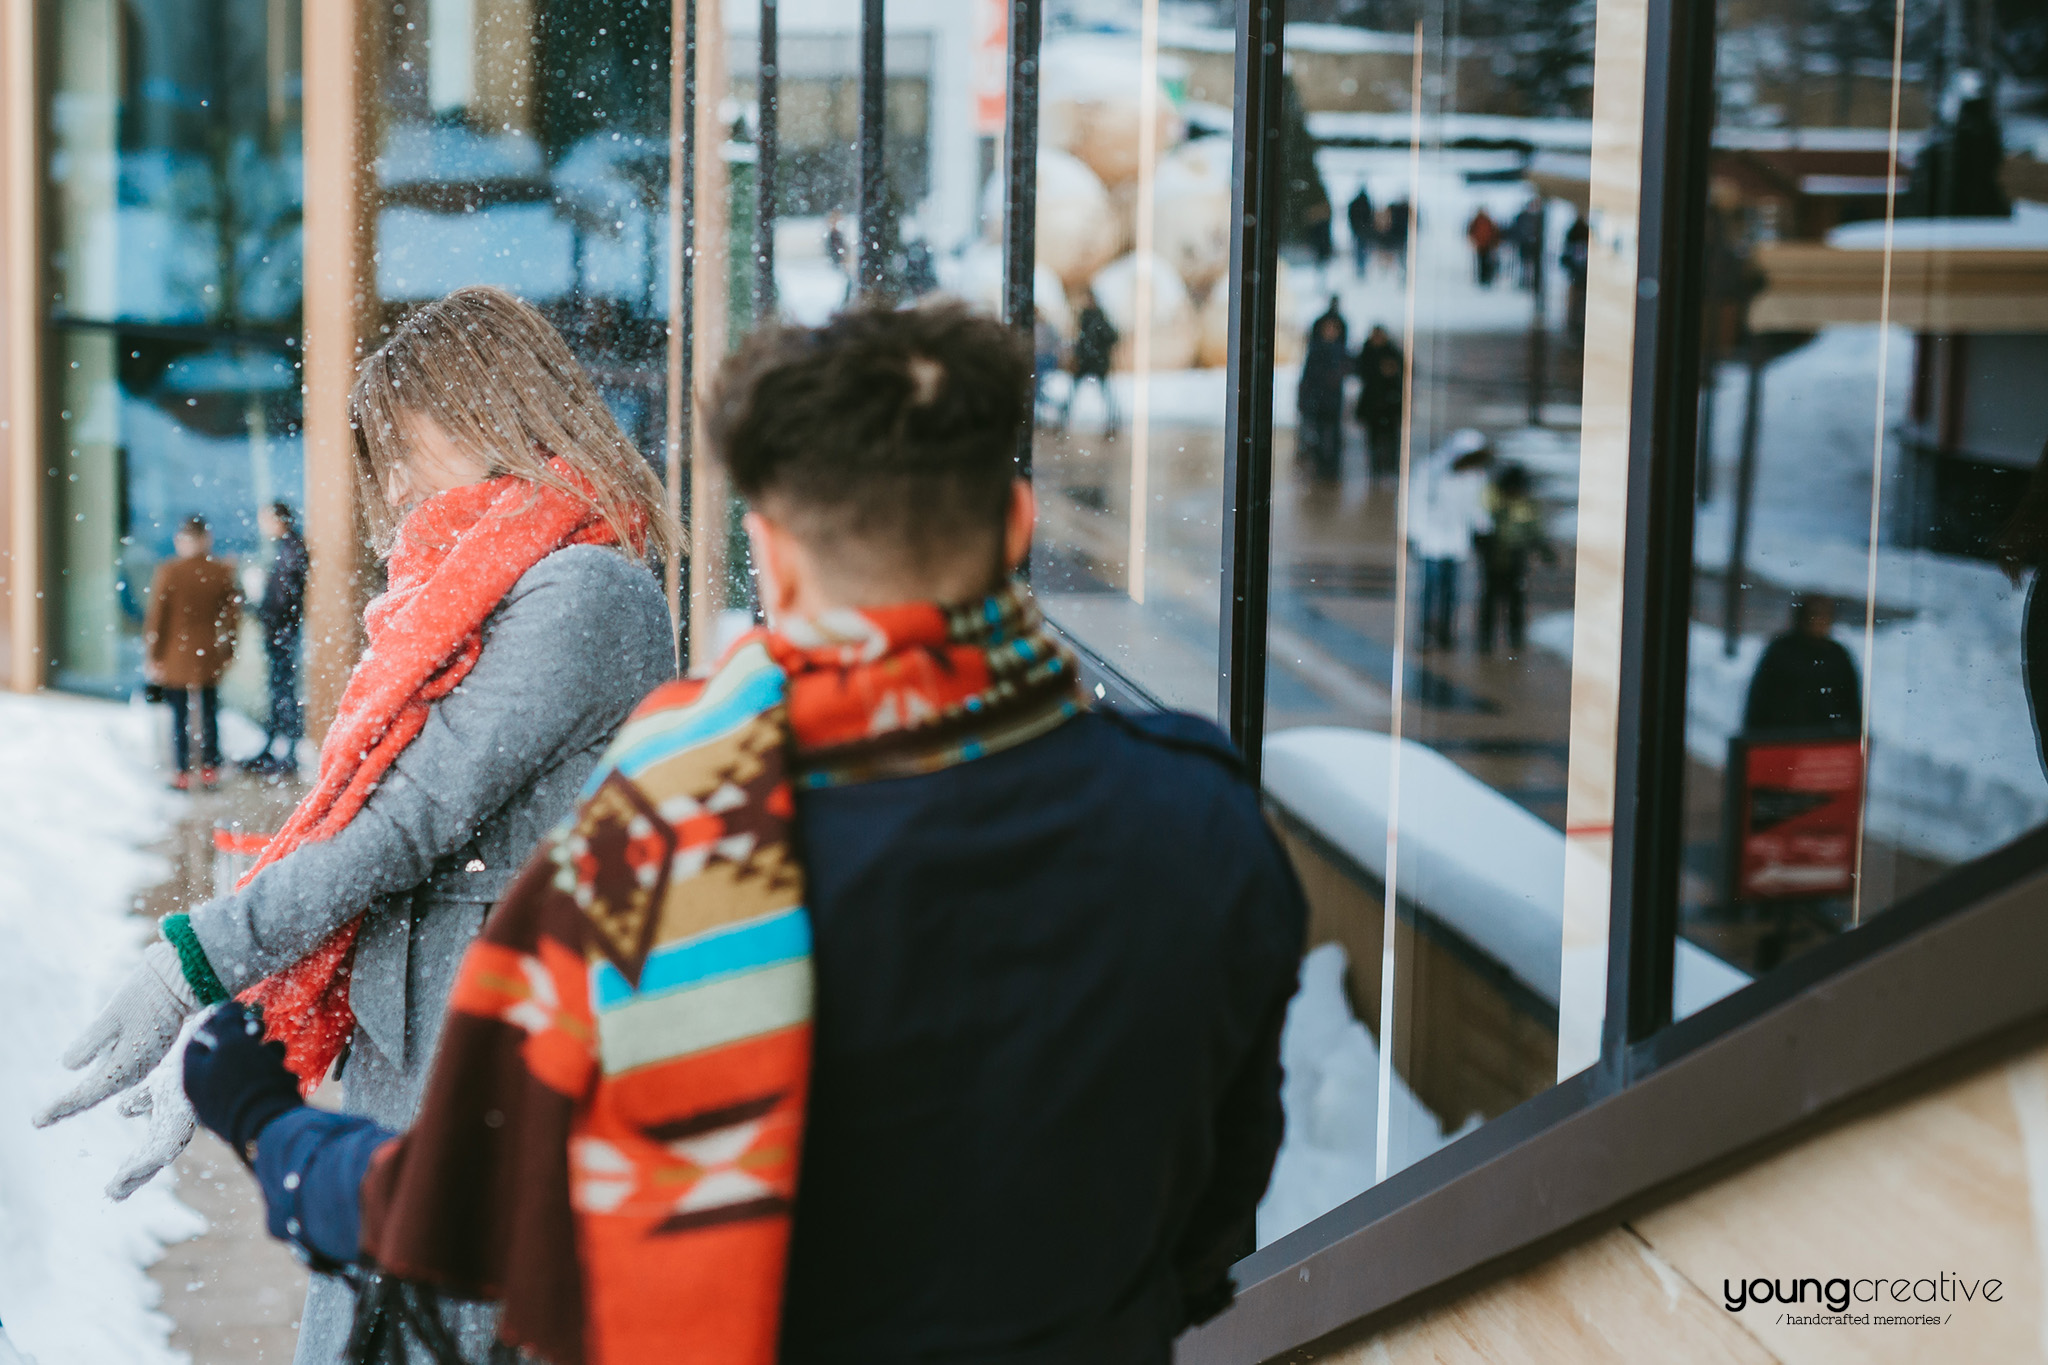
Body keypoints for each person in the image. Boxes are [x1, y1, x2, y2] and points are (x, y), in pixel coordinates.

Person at [180, 302, 1309, 1365]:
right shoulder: (1203, 824)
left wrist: (270, 1128)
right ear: (1014, 525)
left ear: (771, 551)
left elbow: (468, 1216)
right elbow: (1212, 1222)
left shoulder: (668, 847)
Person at [38, 286, 680, 1363]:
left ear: (485, 409)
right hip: (426, 1061)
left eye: (398, 445)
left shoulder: (583, 593)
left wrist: (191, 961)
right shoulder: (475, 597)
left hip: (498, 1066)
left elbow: (403, 821)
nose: (389, 488)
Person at [144, 515, 243, 791]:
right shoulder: (221, 571)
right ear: (206, 540)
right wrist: (228, 650)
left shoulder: (170, 571)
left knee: (179, 716)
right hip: (208, 653)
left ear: (183, 541)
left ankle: (182, 774)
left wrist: (154, 655)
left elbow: (157, 619)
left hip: (175, 655)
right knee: (209, 710)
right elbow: (232, 618)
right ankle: (210, 769)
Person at [1409, 429, 1494, 650]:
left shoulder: (1475, 476)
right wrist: (1413, 534)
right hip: (1431, 542)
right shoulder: (1430, 470)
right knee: (1430, 589)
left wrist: (1483, 528)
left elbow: (1478, 507)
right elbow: (1414, 504)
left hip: (1456, 543)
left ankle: (1446, 631)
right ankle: (1427, 631)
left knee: (1451, 590)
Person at [243, 501, 308, 777]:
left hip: (283, 630)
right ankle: (275, 747)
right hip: (280, 629)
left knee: (283, 690)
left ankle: (287, 751)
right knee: (279, 688)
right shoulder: (286, 548)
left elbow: (284, 596)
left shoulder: (291, 549)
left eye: (266, 519)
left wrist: (261, 610)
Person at [1743, 595, 1861, 735]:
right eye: (1813, 615)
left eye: (1823, 616)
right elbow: (1759, 699)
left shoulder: (1837, 655)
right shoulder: (1780, 651)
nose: (1818, 622)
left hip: (1826, 740)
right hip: (1782, 738)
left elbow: (1851, 702)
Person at [1477, 463, 1554, 654]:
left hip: (1516, 556)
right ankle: (1486, 640)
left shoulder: (1527, 503)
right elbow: (1480, 523)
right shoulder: (1493, 498)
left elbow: (1535, 530)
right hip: (1494, 554)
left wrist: (1545, 550)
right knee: (1491, 598)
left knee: (1514, 599)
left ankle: (1514, 638)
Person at [1297, 304, 1350, 483]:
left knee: (1333, 435)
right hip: (1318, 400)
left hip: (1332, 401)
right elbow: (1308, 376)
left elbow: (1349, 367)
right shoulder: (1316, 350)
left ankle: (1331, 469)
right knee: (1319, 435)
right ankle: (1322, 468)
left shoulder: (1339, 350)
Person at [1063, 290, 1121, 435]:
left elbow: (1112, 337)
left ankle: (1112, 422)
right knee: (1074, 392)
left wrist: (1099, 347)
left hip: (1096, 361)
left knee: (1105, 395)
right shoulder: (1085, 318)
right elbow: (1082, 341)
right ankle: (1062, 420)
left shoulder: (1098, 318)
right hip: (1087, 361)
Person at [1355, 324, 1405, 485]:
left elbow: (1404, 371)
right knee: (1373, 440)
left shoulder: (1392, 352)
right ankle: (1375, 470)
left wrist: (1392, 371)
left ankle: (1391, 469)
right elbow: (1360, 372)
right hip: (1372, 406)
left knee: (1392, 440)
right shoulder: (1366, 352)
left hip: (1390, 404)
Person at [1510, 198, 1545, 290]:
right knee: (1524, 264)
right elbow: (1516, 230)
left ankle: (1532, 283)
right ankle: (1525, 281)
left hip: (1534, 246)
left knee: (1532, 265)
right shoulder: (1523, 217)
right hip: (1524, 245)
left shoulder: (1538, 217)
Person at [1467, 206, 1502, 288]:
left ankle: (1486, 278)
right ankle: (1482, 278)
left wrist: (1494, 242)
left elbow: (1494, 232)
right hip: (1481, 244)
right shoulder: (1477, 220)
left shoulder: (1487, 221)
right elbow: (1471, 231)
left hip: (1487, 244)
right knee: (1481, 262)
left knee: (1486, 262)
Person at [1347, 184, 1376, 277]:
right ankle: (1361, 268)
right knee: (1363, 250)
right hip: (1364, 231)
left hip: (1358, 230)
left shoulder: (1355, 203)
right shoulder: (1366, 203)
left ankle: (1360, 268)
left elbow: (1351, 216)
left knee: (1359, 250)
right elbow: (1370, 217)